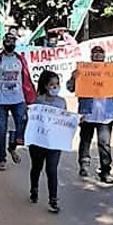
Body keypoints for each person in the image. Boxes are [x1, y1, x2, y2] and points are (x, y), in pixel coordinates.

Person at [67, 45, 113, 184]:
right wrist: (74, 78)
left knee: (104, 144)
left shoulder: (111, 72)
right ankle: (84, 164)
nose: (98, 56)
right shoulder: (84, 71)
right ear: (91, 56)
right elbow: (70, 88)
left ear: (104, 56)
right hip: (87, 113)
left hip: (106, 115)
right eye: (95, 54)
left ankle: (105, 171)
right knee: (85, 141)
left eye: (100, 54)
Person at [0, 33, 36, 171]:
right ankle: (2, 159)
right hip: (1, 100)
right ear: (4, 43)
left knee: (21, 125)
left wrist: (31, 98)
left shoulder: (20, 59)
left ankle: (12, 147)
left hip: (19, 98)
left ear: (15, 43)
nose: (10, 43)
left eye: (12, 41)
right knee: (1, 129)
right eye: (7, 41)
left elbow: (26, 78)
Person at [28, 70, 67, 213]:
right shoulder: (37, 101)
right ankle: (34, 189)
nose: (55, 87)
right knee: (37, 167)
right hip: (38, 143)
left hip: (54, 143)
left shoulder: (61, 102)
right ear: (45, 86)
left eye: (57, 84)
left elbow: (65, 120)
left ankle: (53, 199)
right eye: (52, 84)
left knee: (52, 170)